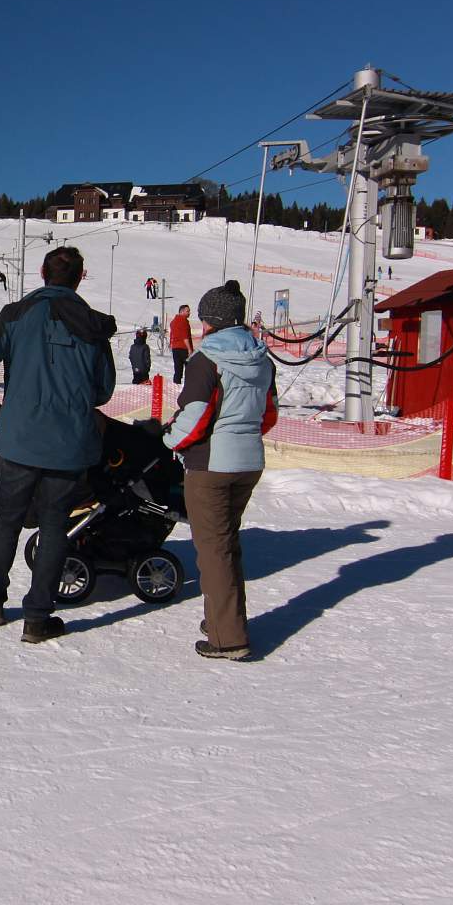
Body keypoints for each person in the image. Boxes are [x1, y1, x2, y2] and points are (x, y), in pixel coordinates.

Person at [0, 245, 117, 644]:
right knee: (55, 528)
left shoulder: (16, 314)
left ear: (43, 273)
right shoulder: (93, 325)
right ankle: (37, 617)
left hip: (20, 440)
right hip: (70, 445)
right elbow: (103, 390)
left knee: (6, 522)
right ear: (79, 278)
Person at [165, 280, 278, 661]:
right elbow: (269, 414)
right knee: (226, 543)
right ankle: (222, 618)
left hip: (211, 464)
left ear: (210, 320)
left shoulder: (206, 359)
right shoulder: (262, 358)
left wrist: (169, 439)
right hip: (249, 462)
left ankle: (227, 638)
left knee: (212, 551)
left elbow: (195, 416)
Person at [168, 303, 194, 384]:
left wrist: (171, 344)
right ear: (181, 311)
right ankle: (189, 387)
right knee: (189, 370)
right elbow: (185, 336)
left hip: (175, 348)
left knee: (178, 370)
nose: (189, 313)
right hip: (184, 348)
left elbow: (172, 334)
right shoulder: (184, 321)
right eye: (187, 311)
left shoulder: (173, 322)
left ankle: (176, 386)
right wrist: (189, 349)